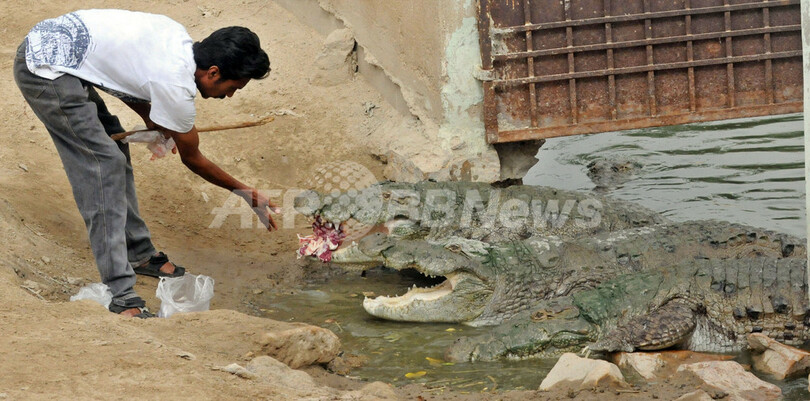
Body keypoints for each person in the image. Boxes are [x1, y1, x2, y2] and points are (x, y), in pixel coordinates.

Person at [13, 9, 280, 318]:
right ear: (213, 73)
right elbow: (193, 159)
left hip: (63, 53)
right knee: (103, 165)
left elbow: (119, 76)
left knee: (114, 143)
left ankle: (138, 253)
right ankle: (120, 294)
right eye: (233, 87)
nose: (230, 96)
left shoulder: (176, 40)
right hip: (44, 68)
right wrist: (245, 191)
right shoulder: (176, 87)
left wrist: (150, 117)